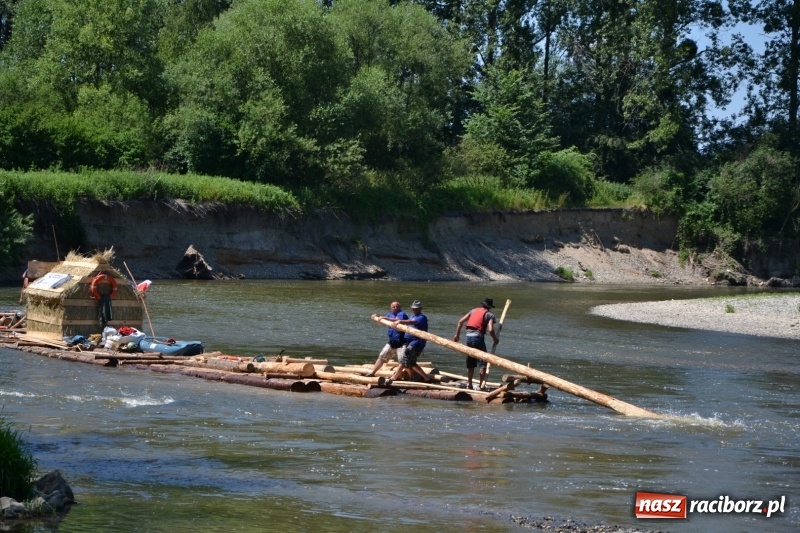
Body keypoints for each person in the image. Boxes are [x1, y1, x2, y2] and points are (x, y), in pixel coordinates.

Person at [453, 298, 499, 391]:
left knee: (471, 361)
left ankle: (469, 384)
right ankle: (481, 386)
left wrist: (457, 336)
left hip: (468, 338)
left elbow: (460, 322)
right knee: (483, 361)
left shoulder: (473, 311)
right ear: (490, 307)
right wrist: (495, 339)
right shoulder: (490, 315)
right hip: (478, 338)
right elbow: (490, 329)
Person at [386, 300, 433, 385]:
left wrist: (400, 321)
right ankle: (425, 377)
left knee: (407, 360)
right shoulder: (412, 316)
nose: (415, 310)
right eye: (413, 308)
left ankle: (396, 376)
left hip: (417, 342)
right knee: (407, 360)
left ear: (420, 308)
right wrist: (386, 319)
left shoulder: (421, 317)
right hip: (409, 341)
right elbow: (403, 321)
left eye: (417, 308)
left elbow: (412, 322)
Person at [366, 301, 409, 377]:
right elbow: (380, 323)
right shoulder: (389, 314)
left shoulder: (402, 314)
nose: (395, 308)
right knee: (382, 356)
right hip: (392, 342)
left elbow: (397, 320)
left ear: (400, 307)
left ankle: (411, 376)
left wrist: (385, 317)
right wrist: (378, 317)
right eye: (394, 307)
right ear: (391, 308)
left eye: (397, 306)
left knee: (403, 361)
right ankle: (372, 373)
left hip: (401, 342)